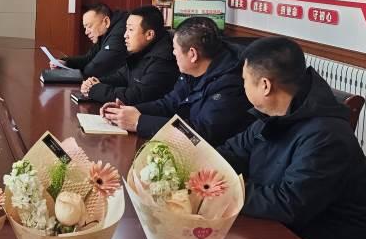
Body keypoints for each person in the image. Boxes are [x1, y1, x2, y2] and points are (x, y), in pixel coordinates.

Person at [217, 36, 366, 239]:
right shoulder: (273, 116)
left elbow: (289, 204)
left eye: (245, 80)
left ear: (265, 85)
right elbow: (232, 151)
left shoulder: (326, 136)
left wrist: (221, 190)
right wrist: (200, 167)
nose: (242, 85)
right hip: (285, 232)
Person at [100, 16, 252, 144]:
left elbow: (199, 135)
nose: (173, 53)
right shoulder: (191, 71)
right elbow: (169, 104)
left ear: (192, 54)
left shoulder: (230, 84)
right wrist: (128, 111)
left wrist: (139, 122)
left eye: (175, 49)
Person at [79, 5, 178, 105]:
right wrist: (95, 82)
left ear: (149, 34)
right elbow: (122, 77)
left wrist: (95, 89)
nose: (125, 35)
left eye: (130, 30)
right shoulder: (142, 51)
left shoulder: (163, 61)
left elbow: (136, 96)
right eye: (126, 29)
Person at [51, 3, 128, 78]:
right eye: (85, 28)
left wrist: (74, 75)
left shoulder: (119, 33)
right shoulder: (103, 33)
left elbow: (96, 67)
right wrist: (65, 62)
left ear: (106, 22)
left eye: (90, 26)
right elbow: (89, 58)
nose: (86, 32)